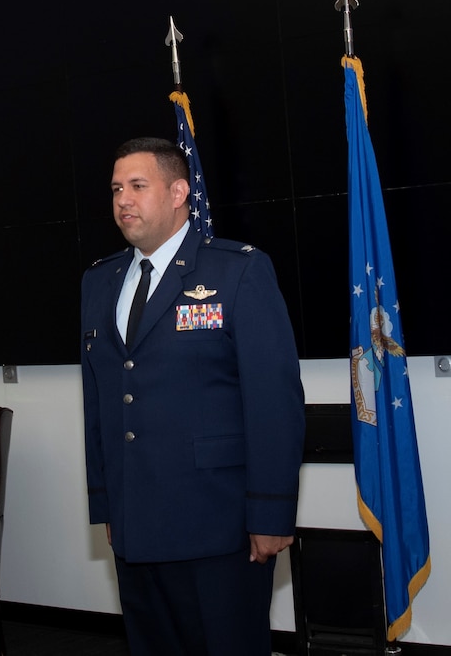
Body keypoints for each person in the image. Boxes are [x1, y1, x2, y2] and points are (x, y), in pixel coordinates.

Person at [80, 137, 305, 655]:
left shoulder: (237, 270)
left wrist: (271, 514)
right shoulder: (99, 281)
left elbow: (275, 402)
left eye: (138, 186)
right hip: (136, 522)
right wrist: (106, 502)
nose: (123, 200)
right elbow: (101, 402)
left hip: (217, 526)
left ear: (180, 191)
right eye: (116, 189)